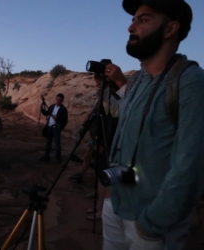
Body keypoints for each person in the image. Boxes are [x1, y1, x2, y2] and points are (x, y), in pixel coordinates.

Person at [103, 1, 204, 249]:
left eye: (143, 20)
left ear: (170, 29)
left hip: (151, 226)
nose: (130, 27)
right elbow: (122, 133)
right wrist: (109, 196)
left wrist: (151, 223)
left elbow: (189, 167)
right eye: (133, 19)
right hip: (115, 207)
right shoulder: (137, 81)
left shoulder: (191, 81)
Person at [69, 63, 127, 221]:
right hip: (99, 137)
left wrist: (104, 140)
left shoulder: (114, 94)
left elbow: (111, 117)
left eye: (99, 79)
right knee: (98, 169)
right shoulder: (107, 94)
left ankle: (102, 210)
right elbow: (95, 114)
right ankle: (99, 205)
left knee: (105, 175)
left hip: (106, 140)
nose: (96, 81)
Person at [40, 94, 68, 163]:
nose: (57, 101)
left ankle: (58, 159)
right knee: (48, 143)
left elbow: (65, 120)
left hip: (56, 128)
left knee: (57, 143)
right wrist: (42, 109)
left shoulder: (63, 109)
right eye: (57, 99)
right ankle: (46, 157)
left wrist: (58, 119)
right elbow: (47, 113)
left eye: (59, 100)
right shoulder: (52, 106)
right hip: (49, 126)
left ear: (62, 101)